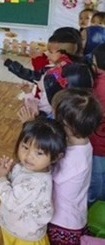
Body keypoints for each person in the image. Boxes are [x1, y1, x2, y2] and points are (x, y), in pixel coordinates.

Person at [0, 117, 67, 245]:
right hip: (16, 229)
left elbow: (12, 201)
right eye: (25, 147)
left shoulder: (35, 182)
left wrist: (1, 178)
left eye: (39, 153)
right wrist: (7, 174)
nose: (29, 156)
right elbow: (17, 186)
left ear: (55, 157)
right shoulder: (28, 167)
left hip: (25, 238)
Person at [48, 89, 102, 245]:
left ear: (66, 125)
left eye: (54, 115)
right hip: (75, 216)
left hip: (63, 222)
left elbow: (46, 172)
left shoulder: (72, 159)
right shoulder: (84, 143)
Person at [89, 44, 105, 203]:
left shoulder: (93, 83)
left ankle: (93, 204)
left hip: (97, 144)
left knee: (98, 180)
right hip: (98, 143)